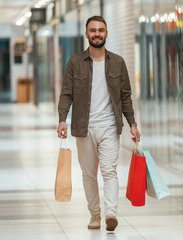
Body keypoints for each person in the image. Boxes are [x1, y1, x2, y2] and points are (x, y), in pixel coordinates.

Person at [57, 15, 140, 231]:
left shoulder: (118, 62)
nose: (97, 34)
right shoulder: (75, 63)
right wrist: (62, 119)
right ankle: (95, 214)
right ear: (86, 34)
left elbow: (125, 96)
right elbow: (66, 94)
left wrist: (132, 123)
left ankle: (111, 212)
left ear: (106, 33)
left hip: (110, 126)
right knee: (88, 174)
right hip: (83, 128)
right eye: (93, 30)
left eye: (100, 30)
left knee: (109, 171)